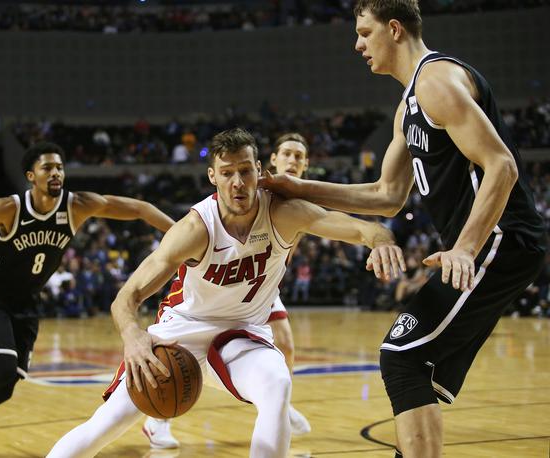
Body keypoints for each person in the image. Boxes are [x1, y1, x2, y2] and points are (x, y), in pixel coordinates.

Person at [259, 1, 547, 456]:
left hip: (501, 238)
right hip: (488, 245)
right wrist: (298, 187)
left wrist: (466, 248)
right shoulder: (407, 105)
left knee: (402, 357)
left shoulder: (436, 81)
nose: (357, 44)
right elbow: (386, 196)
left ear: (394, 29)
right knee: (415, 366)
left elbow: (502, 166)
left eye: (364, 32)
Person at [47, 128, 405, 458]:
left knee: (277, 384)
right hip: (180, 334)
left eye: (246, 171)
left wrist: (381, 241)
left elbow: (362, 228)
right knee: (105, 425)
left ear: (259, 171)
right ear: (213, 177)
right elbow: (127, 296)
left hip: (242, 334)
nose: (238, 182)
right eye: (228, 172)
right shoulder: (195, 228)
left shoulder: (283, 212)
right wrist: (132, 337)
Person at [0, 141, 175, 458]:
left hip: (27, 303)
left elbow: (139, 209)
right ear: (32, 175)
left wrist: (180, 232)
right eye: (47, 168)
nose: (56, 173)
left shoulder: (77, 205)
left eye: (59, 167)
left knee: (2, 389)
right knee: (1, 367)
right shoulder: (10, 208)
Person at [142, 132, 313, 449]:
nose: (293, 161)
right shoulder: (252, 190)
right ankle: (157, 417)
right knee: (180, 350)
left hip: (259, 279)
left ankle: (277, 402)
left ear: (306, 164)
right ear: (270, 163)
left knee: (285, 345)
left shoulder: (300, 200)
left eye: (299, 156)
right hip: (222, 275)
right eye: (286, 154)